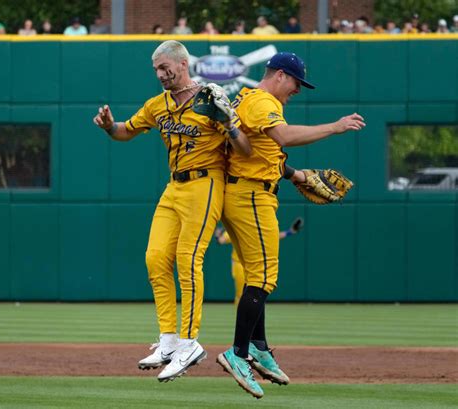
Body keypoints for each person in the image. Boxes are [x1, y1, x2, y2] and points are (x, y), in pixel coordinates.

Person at [93, 40, 251, 383]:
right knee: (155, 256)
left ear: (183, 64)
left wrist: (231, 123)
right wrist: (109, 126)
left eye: (166, 68)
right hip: (174, 187)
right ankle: (168, 340)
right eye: (156, 71)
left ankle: (189, 342)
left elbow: (246, 149)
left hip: (206, 182)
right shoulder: (157, 105)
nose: (161, 75)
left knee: (187, 257)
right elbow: (125, 131)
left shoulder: (210, 98)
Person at [216, 51, 365, 398]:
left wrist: (295, 175)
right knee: (265, 277)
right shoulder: (262, 100)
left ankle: (258, 347)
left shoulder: (252, 100)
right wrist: (336, 126)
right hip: (251, 195)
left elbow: (265, 150)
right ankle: (237, 354)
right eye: (297, 82)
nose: (298, 90)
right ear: (281, 75)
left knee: (257, 275)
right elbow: (283, 136)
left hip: (248, 190)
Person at [214, 217, 304, 305]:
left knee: (255, 292)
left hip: (254, 264)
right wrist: (217, 235)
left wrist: (290, 232)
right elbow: (221, 241)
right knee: (241, 292)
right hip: (239, 264)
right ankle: (241, 315)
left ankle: (250, 315)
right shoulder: (237, 229)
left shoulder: (256, 230)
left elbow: (275, 236)